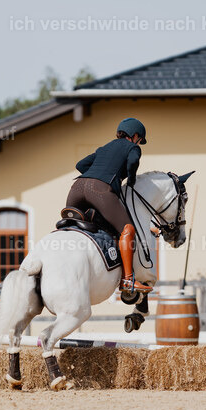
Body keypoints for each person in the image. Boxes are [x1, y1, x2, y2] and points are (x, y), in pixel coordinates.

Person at [66, 117, 151, 293]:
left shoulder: (104, 147)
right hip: (99, 190)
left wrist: (95, 173)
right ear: (135, 135)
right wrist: (131, 178)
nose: (139, 143)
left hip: (76, 188)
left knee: (72, 227)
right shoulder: (132, 147)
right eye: (140, 140)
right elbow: (133, 162)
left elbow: (80, 164)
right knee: (127, 229)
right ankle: (127, 280)